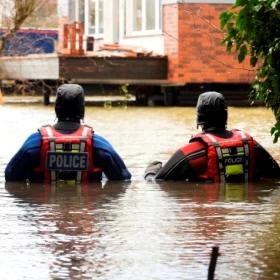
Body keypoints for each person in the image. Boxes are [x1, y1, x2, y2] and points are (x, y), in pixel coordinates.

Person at [5, 84, 131, 183]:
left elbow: (11, 177)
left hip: (45, 213)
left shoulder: (33, 145)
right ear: (82, 109)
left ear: (56, 109)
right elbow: (123, 179)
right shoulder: (100, 147)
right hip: (84, 213)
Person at [145, 91, 280, 183]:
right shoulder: (251, 145)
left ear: (199, 118)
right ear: (225, 116)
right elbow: (276, 175)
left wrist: (151, 170)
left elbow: (159, 181)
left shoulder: (190, 153)